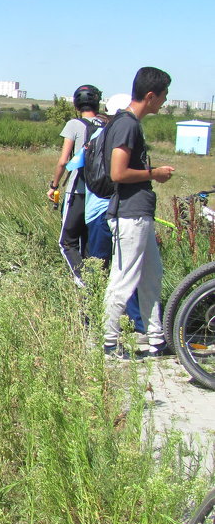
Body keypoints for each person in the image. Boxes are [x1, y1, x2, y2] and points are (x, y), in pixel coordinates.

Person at [102, 67, 175, 358]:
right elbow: (117, 172)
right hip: (130, 214)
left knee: (151, 277)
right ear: (150, 96)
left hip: (138, 212)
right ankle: (109, 343)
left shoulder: (126, 123)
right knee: (124, 279)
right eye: (164, 95)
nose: (165, 101)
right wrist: (153, 173)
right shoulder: (128, 125)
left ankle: (156, 339)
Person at [68, 93, 144, 332]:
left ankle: (90, 320)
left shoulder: (96, 137)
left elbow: (73, 165)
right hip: (116, 210)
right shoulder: (120, 135)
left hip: (95, 211)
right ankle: (135, 323)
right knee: (125, 268)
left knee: (97, 269)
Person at [48, 85, 102, 285]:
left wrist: (54, 185)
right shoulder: (106, 125)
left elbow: (63, 161)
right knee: (87, 242)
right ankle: (95, 280)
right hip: (98, 193)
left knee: (67, 243)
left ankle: (83, 281)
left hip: (77, 189)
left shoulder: (74, 124)